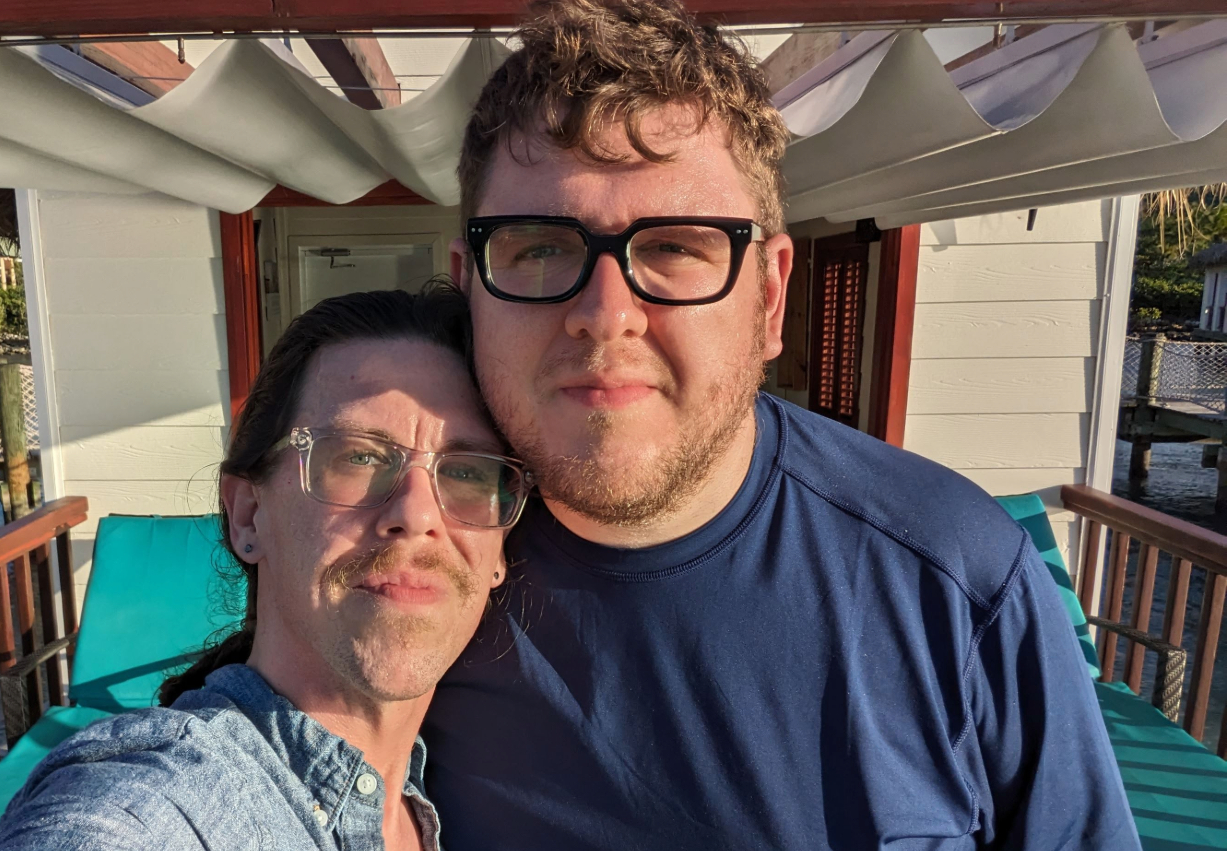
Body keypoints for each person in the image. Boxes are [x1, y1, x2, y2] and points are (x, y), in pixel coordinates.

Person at [421, 0, 1141, 848]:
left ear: (769, 297)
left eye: (677, 247)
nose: (605, 313)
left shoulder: (959, 583)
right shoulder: (401, 574)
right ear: (469, 287)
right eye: (539, 247)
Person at [0, 287, 531, 851]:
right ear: (248, 515)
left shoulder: (456, 802)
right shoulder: (157, 804)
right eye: (359, 456)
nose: (417, 515)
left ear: (499, 555)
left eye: (469, 472)